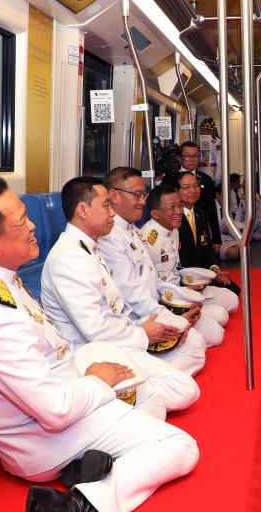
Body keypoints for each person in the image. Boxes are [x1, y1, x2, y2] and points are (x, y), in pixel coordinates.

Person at [0, 177, 199, 512]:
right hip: (41, 437)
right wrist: (99, 383)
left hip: (61, 382)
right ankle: (69, 504)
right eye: (21, 221)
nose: (33, 226)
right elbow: (54, 412)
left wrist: (92, 374)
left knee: (146, 395)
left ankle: (93, 461)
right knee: (181, 447)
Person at [40, 176, 200, 415]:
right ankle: (114, 398)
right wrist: (143, 334)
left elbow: (115, 309)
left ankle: (137, 390)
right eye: (106, 205)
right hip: (97, 353)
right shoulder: (69, 258)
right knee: (184, 390)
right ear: (83, 210)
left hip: (122, 338)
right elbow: (93, 330)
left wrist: (143, 328)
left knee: (194, 346)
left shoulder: (88, 248)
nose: (112, 213)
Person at [96, 167, 210, 363]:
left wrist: (177, 306)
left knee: (204, 338)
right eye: (137, 195)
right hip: (139, 319)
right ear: (114, 195)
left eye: (144, 195)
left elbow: (154, 280)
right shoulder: (111, 237)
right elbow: (131, 293)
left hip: (156, 306)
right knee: (197, 345)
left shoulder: (130, 229)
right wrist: (172, 317)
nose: (143, 201)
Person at [141, 182, 237, 317]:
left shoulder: (173, 228)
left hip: (182, 286)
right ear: (155, 214)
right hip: (167, 298)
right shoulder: (147, 240)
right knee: (220, 317)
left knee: (232, 300)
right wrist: (183, 291)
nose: (179, 211)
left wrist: (198, 280)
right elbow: (150, 286)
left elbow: (176, 267)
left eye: (180, 205)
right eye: (172, 207)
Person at [175, 171, 241, 297]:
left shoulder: (201, 214)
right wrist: (205, 276)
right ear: (177, 191)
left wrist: (214, 269)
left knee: (233, 289)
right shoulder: (173, 217)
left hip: (203, 272)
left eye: (195, 186)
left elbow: (207, 247)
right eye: (187, 187)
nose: (193, 190)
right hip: (183, 276)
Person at [166, 141, 221, 255]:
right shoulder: (170, 180)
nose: (191, 159)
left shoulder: (206, 180)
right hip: (177, 231)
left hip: (201, 231)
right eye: (187, 156)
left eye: (195, 156)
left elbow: (212, 211)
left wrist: (216, 238)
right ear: (180, 158)